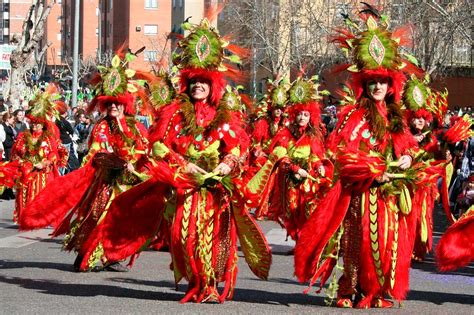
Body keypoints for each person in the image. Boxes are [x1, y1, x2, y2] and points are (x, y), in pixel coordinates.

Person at [99, 16, 271, 303]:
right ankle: (196, 280)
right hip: (185, 186)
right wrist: (184, 164)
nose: (198, 87)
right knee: (183, 237)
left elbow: (236, 148)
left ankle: (210, 286)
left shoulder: (222, 116)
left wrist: (224, 165)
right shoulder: (174, 114)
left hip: (215, 186)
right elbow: (160, 148)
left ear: (213, 85)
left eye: (203, 82)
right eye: (194, 82)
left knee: (215, 237)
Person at [294, 11, 422, 308]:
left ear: (391, 85)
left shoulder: (396, 117)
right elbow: (343, 153)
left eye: (382, 82)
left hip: (388, 195)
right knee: (356, 243)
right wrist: (373, 171)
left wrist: (406, 160)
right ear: (364, 84)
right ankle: (347, 291)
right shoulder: (354, 115)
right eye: (372, 82)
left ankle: (375, 291)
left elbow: (409, 148)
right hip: (360, 193)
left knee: (386, 242)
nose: (377, 87)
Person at [19, 50, 151, 272]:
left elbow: (144, 150)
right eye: (109, 104)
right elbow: (98, 152)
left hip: (128, 183)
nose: (113, 108)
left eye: (117, 104)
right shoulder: (100, 126)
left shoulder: (137, 127)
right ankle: (85, 254)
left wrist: (134, 163)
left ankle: (112, 256)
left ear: (125, 104)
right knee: (96, 218)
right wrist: (116, 161)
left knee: (121, 222)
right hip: (106, 183)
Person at [249, 76, 333, 242]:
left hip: (308, 180)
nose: (302, 117)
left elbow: (316, 156)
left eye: (305, 114)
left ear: (310, 117)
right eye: (299, 114)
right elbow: (282, 157)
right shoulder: (285, 134)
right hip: (289, 179)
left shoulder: (313, 135)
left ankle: (304, 242)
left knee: (306, 211)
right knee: (291, 212)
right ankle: (298, 240)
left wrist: (319, 167)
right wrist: (295, 169)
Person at [9, 86, 69, 223]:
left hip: (43, 173)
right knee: (25, 195)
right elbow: (15, 154)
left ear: (43, 125)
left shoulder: (49, 138)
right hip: (27, 171)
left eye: (37, 124)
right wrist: (23, 163)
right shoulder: (23, 137)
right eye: (33, 123)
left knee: (42, 195)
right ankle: (26, 217)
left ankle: (40, 217)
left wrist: (45, 163)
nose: (35, 126)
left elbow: (55, 153)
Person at [55, 101, 80, 174]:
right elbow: (71, 131)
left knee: (60, 159)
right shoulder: (65, 122)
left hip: (59, 142)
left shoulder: (56, 121)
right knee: (65, 159)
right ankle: (63, 173)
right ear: (65, 113)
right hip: (66, 142)